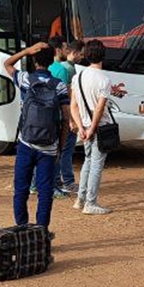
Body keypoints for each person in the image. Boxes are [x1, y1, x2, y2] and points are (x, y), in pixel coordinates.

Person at [4, 42, 71, 228]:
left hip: (26, 143)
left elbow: (7, 64)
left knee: (21, 190)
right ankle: (41, 231)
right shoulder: (59, 86)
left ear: (34, 61)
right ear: (51, 62)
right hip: (49, 147)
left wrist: (26, 50)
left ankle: (22, 227)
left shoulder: (25, 79)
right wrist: (60, 146)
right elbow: (66, 119)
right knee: (45, 191)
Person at [71, 39, 125, 214]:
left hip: (84, 125)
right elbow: (100, 109)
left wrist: (82, 128)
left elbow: (74, 106)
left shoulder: (77, 77)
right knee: (96, 165)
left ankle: (80, 199)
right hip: (99, 127)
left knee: (88, 162)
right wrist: (92, 129)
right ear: (103, 55)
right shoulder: (104, 79)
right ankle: (90, 203)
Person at [48, 37, 83, 197]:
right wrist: (72, 119)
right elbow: (66, 97)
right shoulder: (64, 70)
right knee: (65, 151)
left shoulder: (50, 67)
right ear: (58, 50)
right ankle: (66, 181)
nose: (66, 50)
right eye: (64, 48)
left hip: (50, 116)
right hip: (63, 116)